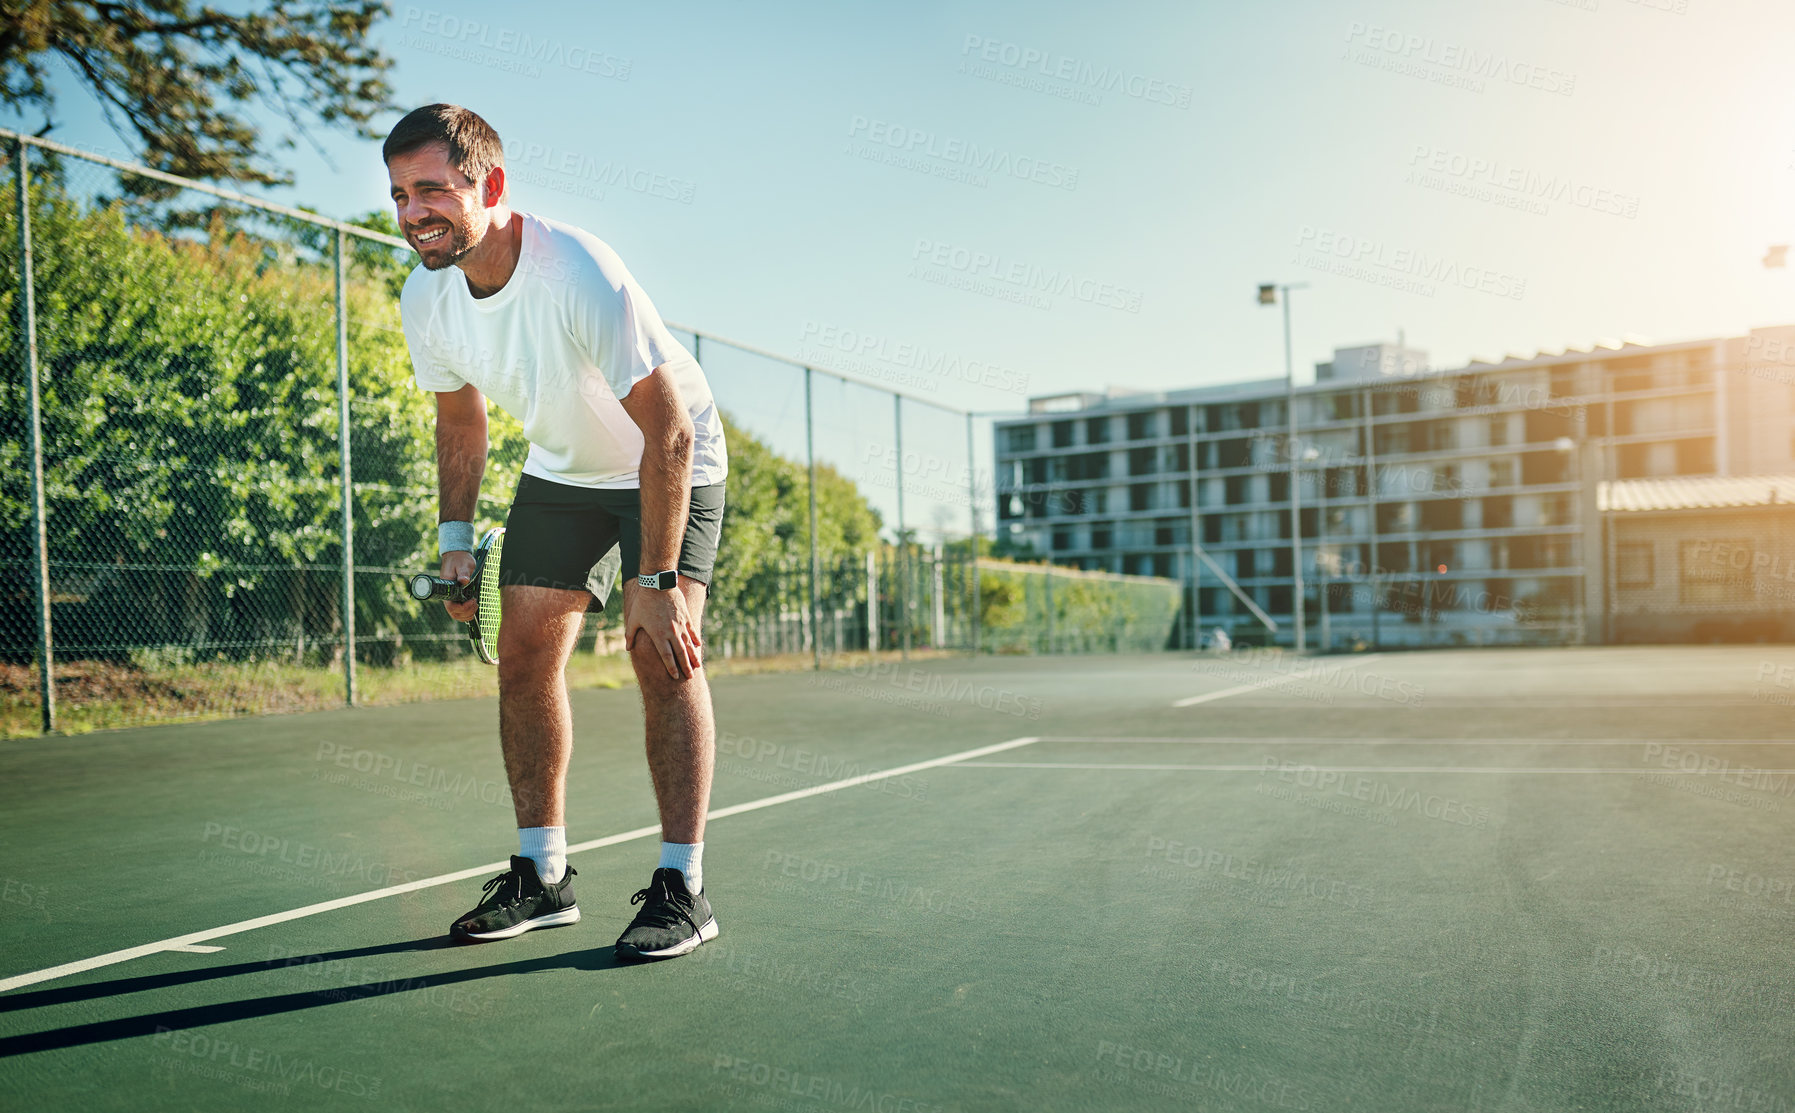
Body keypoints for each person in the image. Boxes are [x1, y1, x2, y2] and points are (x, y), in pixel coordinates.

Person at [385, 104, 728, 960]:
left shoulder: (576, 271)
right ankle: (542, 877)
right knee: (525, 649)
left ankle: (682, 887)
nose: (412, 211)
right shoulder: (425, 296)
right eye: (397, 194)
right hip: (565, 470)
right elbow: (460, 423)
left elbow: (670, 431)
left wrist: (654, 587)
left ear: (489, 185)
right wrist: (453, 540)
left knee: (662, 651)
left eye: (432, 188)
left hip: (670, 455)